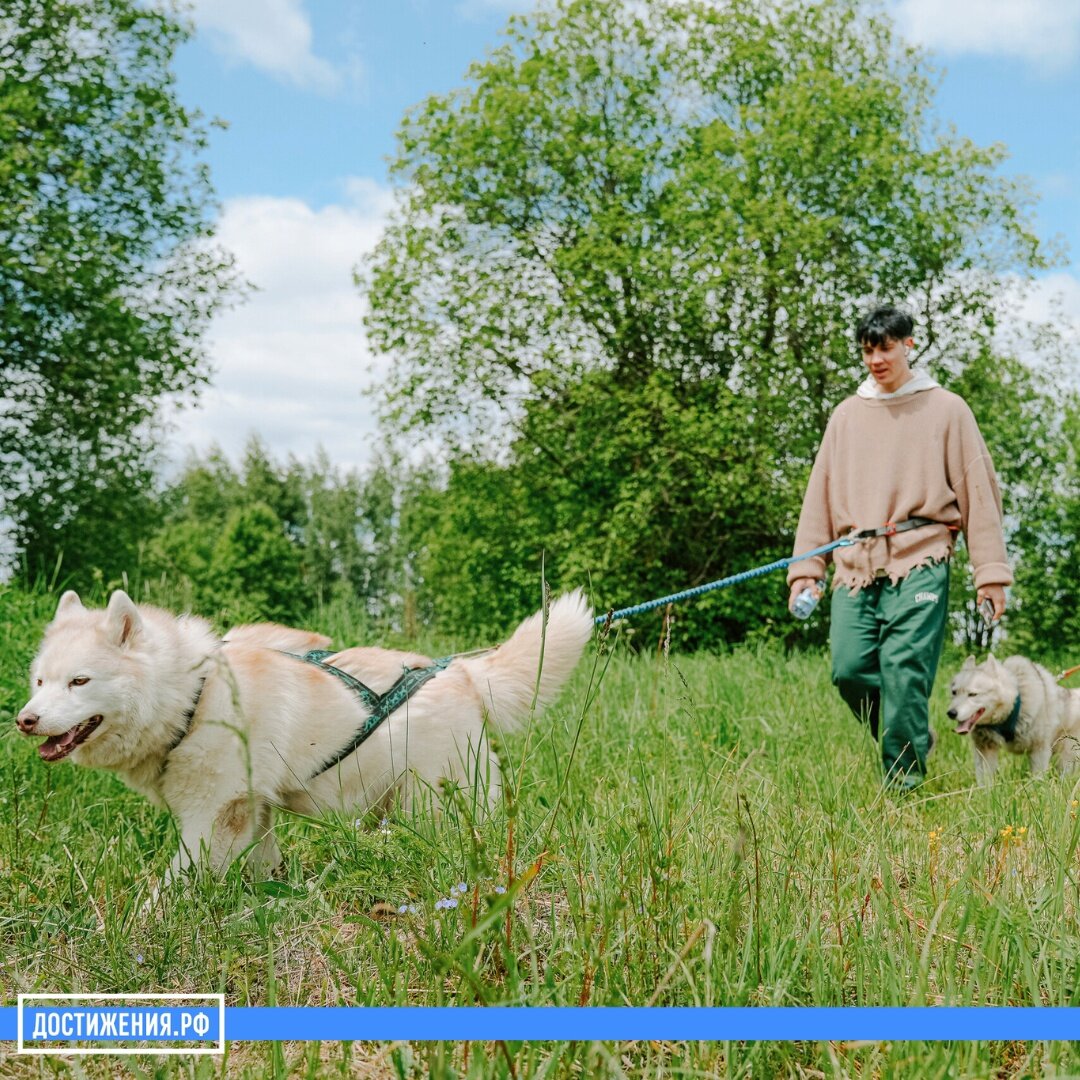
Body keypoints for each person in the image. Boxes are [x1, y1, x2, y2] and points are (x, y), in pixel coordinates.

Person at [787, 304, 1011, 791]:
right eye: (868, 350)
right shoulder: (846, 415)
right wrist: (807, 568)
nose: (876, 359)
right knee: (849, 670)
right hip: (855, 562)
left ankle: (902, 787)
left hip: (921, 554)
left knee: (904, 674)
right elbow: (819, 495)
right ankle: (911, 736)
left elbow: (979, 492)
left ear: (908, 344)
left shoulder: (946, 409)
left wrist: (989, 573)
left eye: (885, 347)